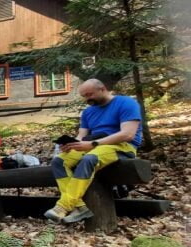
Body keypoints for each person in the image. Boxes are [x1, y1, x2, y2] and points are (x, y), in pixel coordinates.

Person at [45, 78, 143, 224]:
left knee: (89, 158)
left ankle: (63, 206)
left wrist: (93, 144)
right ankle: (80, 207)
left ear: (102, 89)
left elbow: (128, 134)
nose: (87, 99)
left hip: (122, 147)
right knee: (59, 161)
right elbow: (81, 136)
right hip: (94, 145)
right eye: (84, 96)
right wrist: (71, 145)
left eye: (90, 94)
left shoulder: (126, 103)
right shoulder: (88, 112)